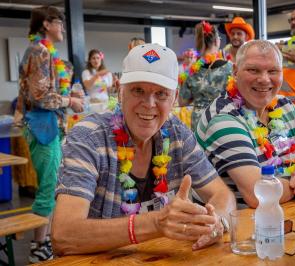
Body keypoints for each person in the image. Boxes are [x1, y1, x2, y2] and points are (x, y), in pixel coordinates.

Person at [52, 43, 236, 255]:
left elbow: (223, 195)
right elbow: (64, 235)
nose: (149, 104)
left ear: (174, 98)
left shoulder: (177, 133)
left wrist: (216, 222)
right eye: (138, 90)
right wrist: (157, 223)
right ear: (120, 91)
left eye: (161, 94)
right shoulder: (89, 137)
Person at [195, 40, 295, 208]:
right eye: (253, 70)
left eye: (273, 71)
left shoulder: (285, 107)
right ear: (235, 71)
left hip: (286, 216)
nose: (264, 79)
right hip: (237, 225)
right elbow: (257, 194)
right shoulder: (223, 119)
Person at [13, 5, 84, 263]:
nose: (63, 28)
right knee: (49, 186)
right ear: (46, 24)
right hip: (42, 126)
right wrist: (70, 102)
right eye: (59, 23)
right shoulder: (40, 51)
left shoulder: (44, 51)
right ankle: (38, 246)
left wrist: (67, 98)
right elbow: (40, 97)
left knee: (52, 184)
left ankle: (44, 243)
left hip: (45, 125)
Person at [179, 21, 232, 130]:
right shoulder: (230, 68)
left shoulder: (191, 71)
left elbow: (182, 101)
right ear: (217, 41)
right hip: (223, 119)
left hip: (199, 123)